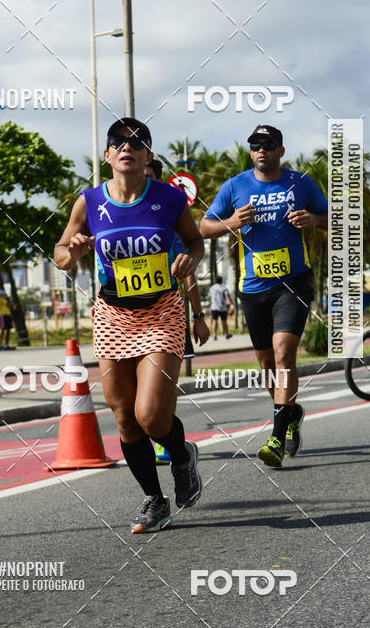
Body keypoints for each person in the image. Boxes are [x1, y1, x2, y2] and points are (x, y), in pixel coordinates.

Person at [55, 118, 205, 532]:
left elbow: (195, 240)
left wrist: (191, 257)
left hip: (161, 312)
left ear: (148, 156)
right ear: (107, 155)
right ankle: (154, 501)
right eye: (118, 142)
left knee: (151, 416)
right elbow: (60, 254)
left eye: (137, 142)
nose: (128, 147)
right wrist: (76, 251)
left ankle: (181, 456)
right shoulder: (89, 203)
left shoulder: (171, 199)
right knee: (124, 416)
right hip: (112, 315)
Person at [200, 124, 328, 468]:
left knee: (284, 353)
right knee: (267, 367)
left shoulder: (300, 183)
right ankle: (291, 413)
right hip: (253, 288)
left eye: (268, 145)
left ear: (280, 151)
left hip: (293, 282)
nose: (261, 150)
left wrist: (313, 219)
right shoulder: (235, 186)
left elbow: (334, 219)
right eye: (255, 145)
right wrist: (232, 222)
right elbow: (204, 226)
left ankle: (275, 436)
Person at [144, 159, 210, 464]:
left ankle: (163, 441)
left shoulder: (168, 221)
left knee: (163, 386)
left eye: (147, 177)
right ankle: (161, 437)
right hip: (124, 319)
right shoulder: (117, 217)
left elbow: (189, 273)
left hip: (166, 315)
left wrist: (198, 317)